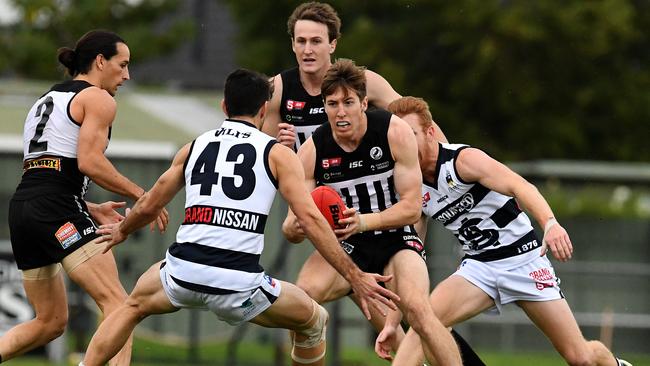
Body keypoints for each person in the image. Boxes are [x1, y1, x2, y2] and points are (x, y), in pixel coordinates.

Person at [80, 68, 400, 366]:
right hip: (237, 285)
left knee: (131, 307)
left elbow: (150, 204)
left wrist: (122, 230)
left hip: (182, 273)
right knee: (316, 320)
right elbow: (313, 221)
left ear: (223, 106)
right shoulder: (276, 153)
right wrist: (356, 276)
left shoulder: (194, 147)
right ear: (264, 110)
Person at [376, 96, 633, 366]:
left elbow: (519, 186)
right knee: (423, 323)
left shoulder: (462, 161)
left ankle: (615, 364)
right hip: (479, 268)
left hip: (523, 260)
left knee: (580, 358)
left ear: (429, 133)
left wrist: (550, 223)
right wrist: (393, 322)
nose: (404, 143)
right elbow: (410, 249)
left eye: (411, 134)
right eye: (399, 137)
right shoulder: (410, 183)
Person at [0, 30, 169, 365]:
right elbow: (89, 162)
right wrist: (143, 194)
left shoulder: (45, 100)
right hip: (56, 208)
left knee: (49, 322)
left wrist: (89, 207)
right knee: (121, 308)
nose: (127, 75)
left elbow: (43, 174)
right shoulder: (99, 99)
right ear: (100, 61)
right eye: (122, 65)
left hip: (24, 210)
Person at [282, 59, 461, 365]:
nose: (341, 112)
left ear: (364, 103)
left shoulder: (394, 132)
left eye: (348, 102)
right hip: (348, 245)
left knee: (418, 310)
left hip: (396, 239)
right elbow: (290, 227)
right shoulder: (312, 150)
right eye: (333, 104)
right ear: (324, 106)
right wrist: (295, 228)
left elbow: (411, 208)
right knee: (302, 301)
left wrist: (363, 221)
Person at [264, 1, 448, 151]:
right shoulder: (277, 89)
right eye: (301, 41)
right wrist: (282, 149)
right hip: (309, 192)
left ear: (332, 44)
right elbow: (264, 157)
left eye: (316, 41)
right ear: (293, 44)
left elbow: (414, 117)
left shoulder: (363, 81)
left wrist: (448, 159)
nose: (308, 50)